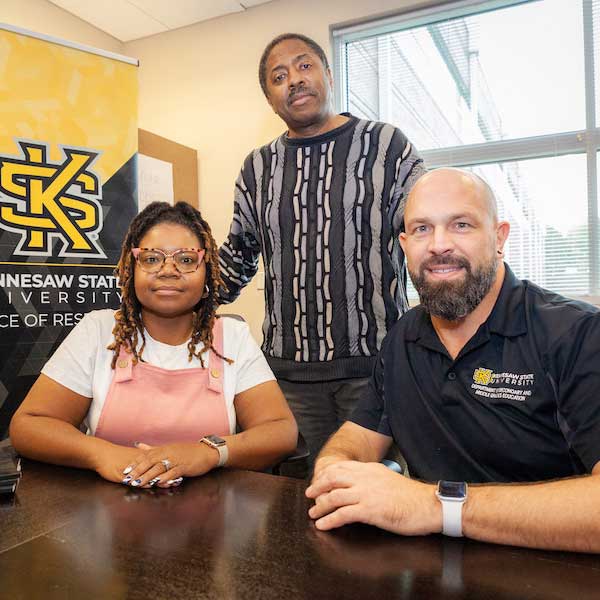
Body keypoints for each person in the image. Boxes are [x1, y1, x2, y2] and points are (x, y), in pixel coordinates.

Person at [306, 168, 600, 553]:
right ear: (404, 244)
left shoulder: (575, 334)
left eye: (461, 225)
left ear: (499, 238)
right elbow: (358, 437)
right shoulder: (402, 337)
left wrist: (436, 506)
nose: (439, 245)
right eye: (422, 229)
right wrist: (334, 470)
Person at [218, 33, 425, 465]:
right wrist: (169, 292)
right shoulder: (257, 168)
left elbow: (426, 239)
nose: (294, 80)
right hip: (286, 376)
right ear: (271, 100)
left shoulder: (387, 146)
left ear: (329, 76)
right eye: (279, 77)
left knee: (377, 500)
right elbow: (236, 258)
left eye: (304, 66)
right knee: (294, 503)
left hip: (376, 369)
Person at [10, 201, 297, 488]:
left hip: (212, 517)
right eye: (151, 259)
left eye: (186, 259)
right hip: (110, 517)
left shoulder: (233, 337)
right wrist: (104, 454)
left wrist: (209, 452)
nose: (168, 270)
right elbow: (29, 424)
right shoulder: (97, 331)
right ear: (130, 268)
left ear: (207, 270)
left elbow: (280, 432)